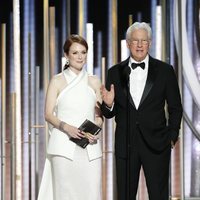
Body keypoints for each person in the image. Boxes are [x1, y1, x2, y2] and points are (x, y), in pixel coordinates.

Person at [101, 22, 182, 200]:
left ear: (150, 43)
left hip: (158, 143)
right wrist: (108, 104)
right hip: (125, 144)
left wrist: (172, 136)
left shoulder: (165, 71)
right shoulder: (114, 72)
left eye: (143, 41)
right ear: (128, 43)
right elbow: (108, 114)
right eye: (135, 41)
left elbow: (175, 107)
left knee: (159, 195)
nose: (139, 45)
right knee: (125, 195)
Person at [38, 34, 103, 200]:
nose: (80, 56)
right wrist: (67, 128)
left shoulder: (95, 81)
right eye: (75, 53)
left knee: (91, 193)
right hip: (63, 147)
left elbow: (99, 117)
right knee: (65, 194)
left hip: (89, 148)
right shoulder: (57, 81)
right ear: (66, 55)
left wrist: (94, 131)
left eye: (83, 52)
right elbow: (47, 114)